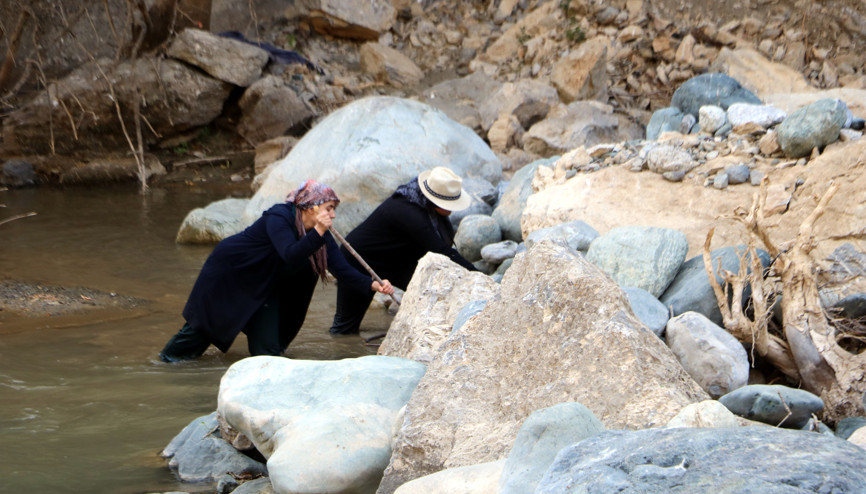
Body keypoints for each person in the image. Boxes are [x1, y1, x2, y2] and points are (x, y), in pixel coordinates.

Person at [159, 180, 394, 362]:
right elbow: (290, 253)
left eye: (334, 210)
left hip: (263, 285)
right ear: (311, 207)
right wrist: (319, 233)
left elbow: (341, 269)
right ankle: (162, 366)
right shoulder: (279, 216)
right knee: (199, 332)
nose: (333, 215)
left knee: (269, 352)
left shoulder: (320, 233)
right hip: (230, 275)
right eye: (329, 208)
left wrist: (373, 285)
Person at [329, 166, 478, 335]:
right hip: (359, 261)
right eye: (449, 204)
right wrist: (477, 275)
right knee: (344, 328)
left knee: (428, 292)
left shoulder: (427, 208)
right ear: (435, 201)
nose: (452, 210)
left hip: (396, 261)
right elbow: (442, 250)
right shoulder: (408, 212)